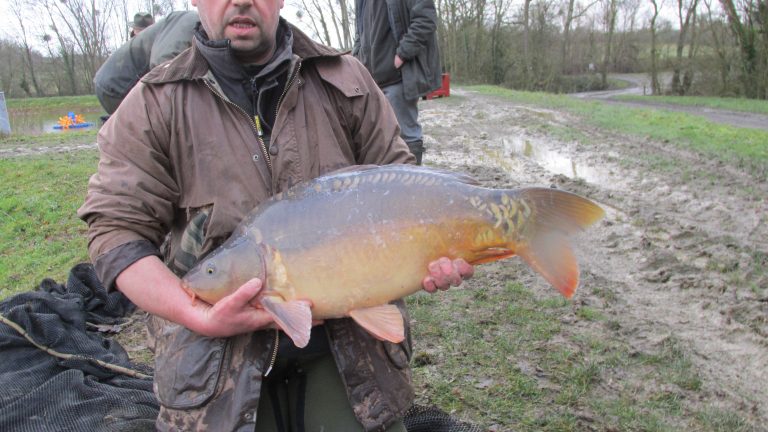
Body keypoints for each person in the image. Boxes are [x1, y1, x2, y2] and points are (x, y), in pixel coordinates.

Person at [78, 0, 473, 430]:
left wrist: (437, 248)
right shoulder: (153, 103)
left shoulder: (346, 78)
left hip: (351, 348)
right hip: (211, 363)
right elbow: (116, 232)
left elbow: (401, 185)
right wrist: (196, 315)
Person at [352, 0, 442, 165]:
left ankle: (412, 185)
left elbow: (426, 19)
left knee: (406, 136)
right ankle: (390, 187)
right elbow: (360, 33)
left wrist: (402, 54)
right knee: (377, 142)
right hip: (370, 80)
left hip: (398, 77)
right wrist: (356, 61)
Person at [94, 11, 199, 115]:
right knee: (156, 125)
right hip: (118, 87)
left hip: (119, 83)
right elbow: (163, 64)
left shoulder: (191, 26)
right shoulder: (190, 23)